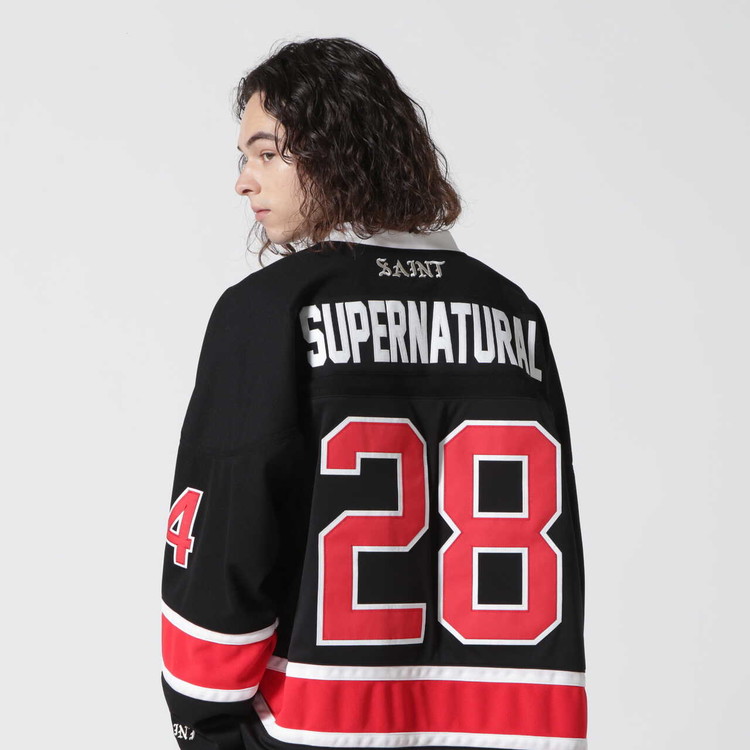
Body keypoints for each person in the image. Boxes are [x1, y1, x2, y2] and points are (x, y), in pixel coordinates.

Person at [161, 37, 587, 750]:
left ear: (334, 150)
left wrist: (201, 720)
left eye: (266, 153)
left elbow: (225, 536)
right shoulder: (514, 313)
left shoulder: (269, 310)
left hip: (322, 729)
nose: (244, 181)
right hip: (516, 730)